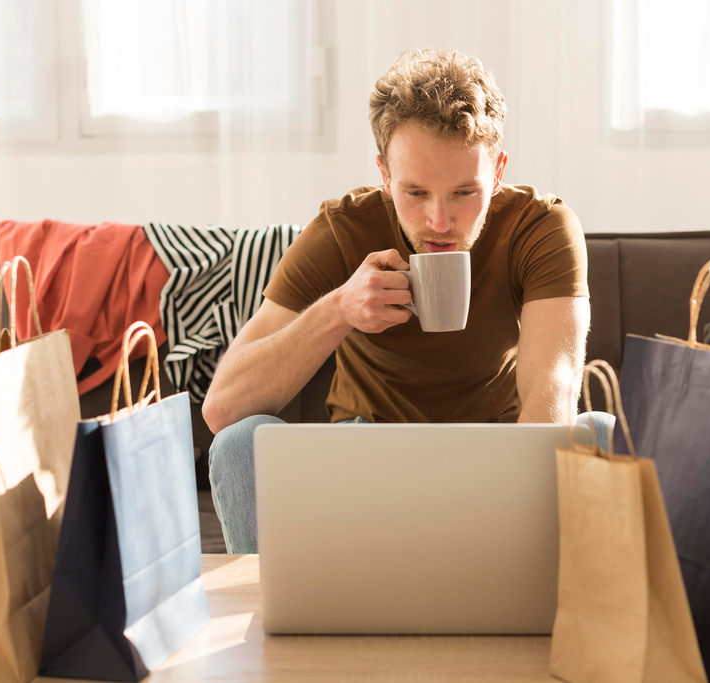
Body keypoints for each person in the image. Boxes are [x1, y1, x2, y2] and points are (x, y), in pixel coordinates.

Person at [202, 49, 605, 553]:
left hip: (497, 456)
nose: (440, 221)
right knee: (241, 443)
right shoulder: (342, 229)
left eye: (464, 192)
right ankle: (274, 617)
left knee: (602, 434)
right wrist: (338, 310)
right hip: (367, 459)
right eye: (415, 192)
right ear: (385, 175)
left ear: (497, 172)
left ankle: (538, 606)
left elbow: (553, 402)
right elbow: (223, 408)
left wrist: (504, 518)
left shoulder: (541, 228)